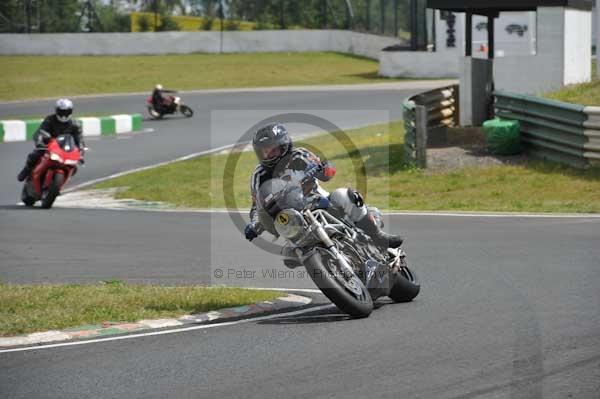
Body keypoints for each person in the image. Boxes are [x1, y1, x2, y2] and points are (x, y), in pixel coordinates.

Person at [244, 123, 403, 250]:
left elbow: (327, 171)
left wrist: (322, 169)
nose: (268, 155)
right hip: (293, 219)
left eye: (272, 150)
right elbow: (256, 207)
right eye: (264, 151)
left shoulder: (299, 155)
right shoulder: (259, 176)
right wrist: (254, 224)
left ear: (283, 145)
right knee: (288, 253)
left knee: (344, 195)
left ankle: (377, 235)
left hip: (319, 201)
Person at [17, 99, 85, 182]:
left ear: (71, 112)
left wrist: (81, 154)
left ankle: (62, 182)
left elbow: (80, 140)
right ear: (57, 111)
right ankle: (26, 170)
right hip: (48, 146)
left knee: (74, 167)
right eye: (61, 112)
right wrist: (39, 143)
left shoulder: (75, 124)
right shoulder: (50, 120)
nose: (64, 115)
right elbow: (39, 132)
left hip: (65, 149)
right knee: (34, 155)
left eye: (66, 112)